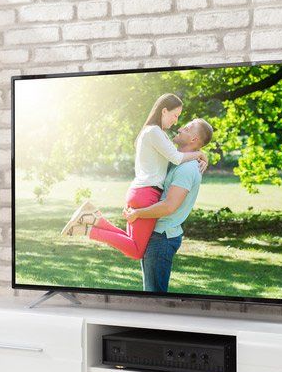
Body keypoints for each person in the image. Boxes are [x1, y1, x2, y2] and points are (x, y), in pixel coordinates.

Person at [60, 94, 208, 259]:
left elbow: (174, 158)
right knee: (136, 251)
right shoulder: (154, 132)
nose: (176, 121)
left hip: (140, 191)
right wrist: (199, 154)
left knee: (132, 242)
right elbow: (177, 157)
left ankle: (92, 217)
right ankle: (89, 229)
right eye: (175, 115)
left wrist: (198, 154)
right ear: (164, 111)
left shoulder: (152, 132)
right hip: (147, 193)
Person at [123, 119, 213, 292]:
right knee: (150, 293)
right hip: (157, 234)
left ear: (194, 139)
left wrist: (138, 213)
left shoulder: (186, 170)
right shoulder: (177, 161)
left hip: (162, 239)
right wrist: (200, 154)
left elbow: (169, 206)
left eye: (186, 128)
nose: (179, 128)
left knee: (154, 297)